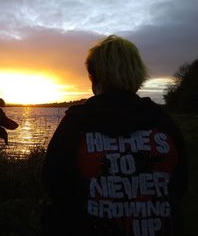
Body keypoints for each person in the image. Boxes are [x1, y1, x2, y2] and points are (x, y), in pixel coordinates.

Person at [41, 35, 187, 236]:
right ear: (137, 74)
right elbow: (179, 186)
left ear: (95, 78)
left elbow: (53, 184)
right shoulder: (163, 121)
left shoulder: (75, 123)